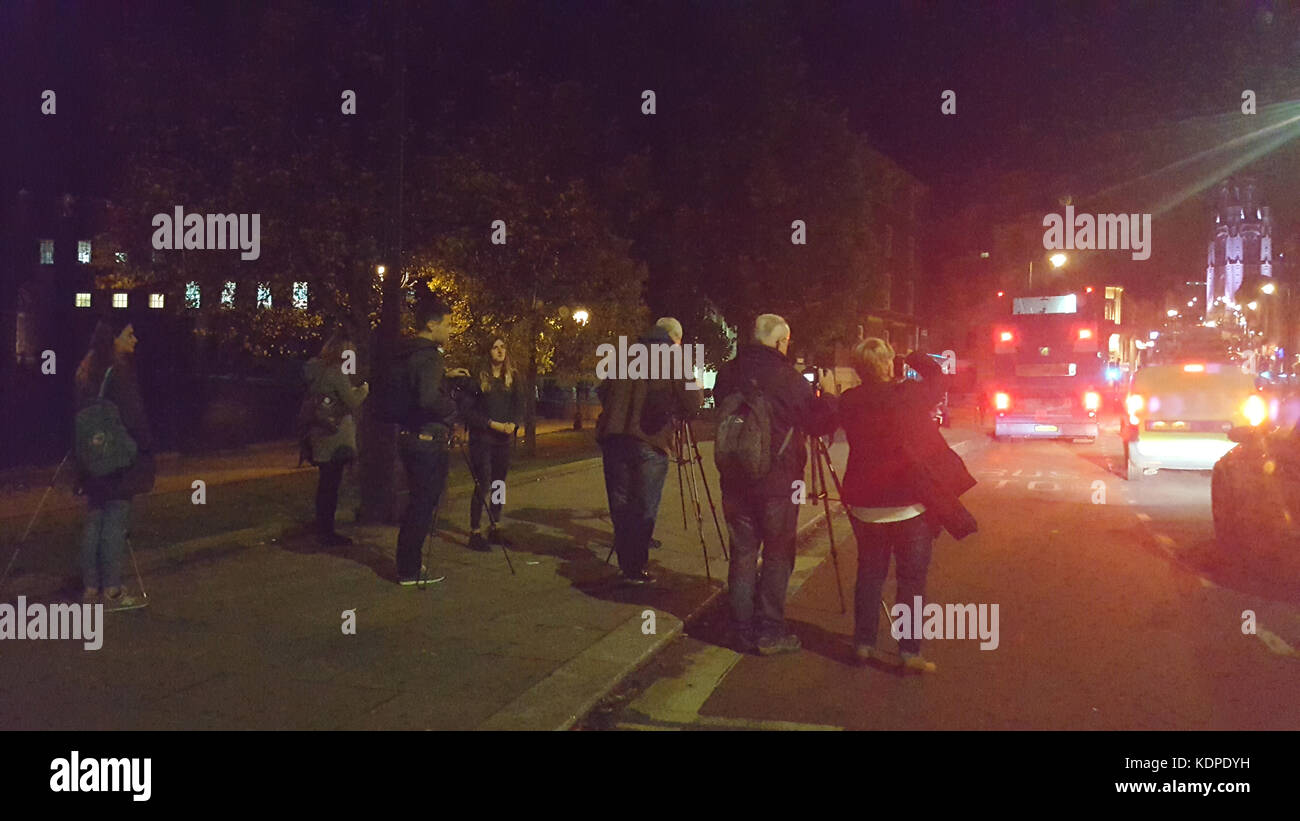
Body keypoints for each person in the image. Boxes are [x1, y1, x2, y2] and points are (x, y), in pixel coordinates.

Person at [838, 339, 977, 673]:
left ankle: (863, 644)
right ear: (889, 364)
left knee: (869, 575)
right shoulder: (909, 396)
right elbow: (940, 377)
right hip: (908, 505)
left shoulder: (849, 400)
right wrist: (911, 355)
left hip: (865, 504)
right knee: (911, 580)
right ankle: (908, 652)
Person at [712, 313, 837, 655]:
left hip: (734, 479)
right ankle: (769, 630)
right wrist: (827, 395)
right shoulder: (790, 379)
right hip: (779, 483)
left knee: (742, 552)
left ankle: (738, 628)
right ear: (781, 341)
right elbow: (818, 425)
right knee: (778, 553)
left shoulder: (727, 372)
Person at [595, 317, 697, 585]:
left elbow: (603, 390)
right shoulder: (673, 358)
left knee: (620, 504)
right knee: (643, 506)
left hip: (614, 439)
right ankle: (636, 567)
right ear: (674, 338)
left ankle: (626, 566)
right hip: (650, 440)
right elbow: (693, 400)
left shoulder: (625, 352)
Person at [74, 318, 155, 611]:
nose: (134, 341)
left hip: (91, 457)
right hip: (117, 458)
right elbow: (134, 418)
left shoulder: (84, 371)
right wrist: (141, 449)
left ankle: (91, 587)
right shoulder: (119, 373)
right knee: (115, 521)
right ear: (115, 339)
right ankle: (113, 590)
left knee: (95, 518)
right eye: (129, 335)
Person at [393, 296, 469, 585]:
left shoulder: (410, 353)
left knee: (419, 501)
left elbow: (419, 388)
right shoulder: (430, 356)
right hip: (426, 440)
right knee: (423, 503)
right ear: (431, 324)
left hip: (410, 436)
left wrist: (444, 377)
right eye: (447, 324)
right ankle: (409, 569)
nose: (450, 330)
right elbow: (427, 398)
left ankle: (408, 563)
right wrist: (451, 408)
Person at [302, 329, 369, 546]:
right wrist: (364, 390)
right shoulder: (336, 372)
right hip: (335, 435)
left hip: (318, 432)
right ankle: (327, 532)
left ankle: (322, 526)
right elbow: (351, 401)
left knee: (325, 483)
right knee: (332, 484)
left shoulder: (314, 369)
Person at [462, 336, 521, 552]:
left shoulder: (512, 377)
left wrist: (514, 424)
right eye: (495, 347)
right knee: (484, 482)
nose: (499, 351)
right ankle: (475, 530)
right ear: (488, 352)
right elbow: (468, 411)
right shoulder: (478, 379)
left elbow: (518, 404)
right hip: (483, 439)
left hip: (503, 440)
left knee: (499, 484)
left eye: (503, 347)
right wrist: (491, 424)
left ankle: (495, 525)